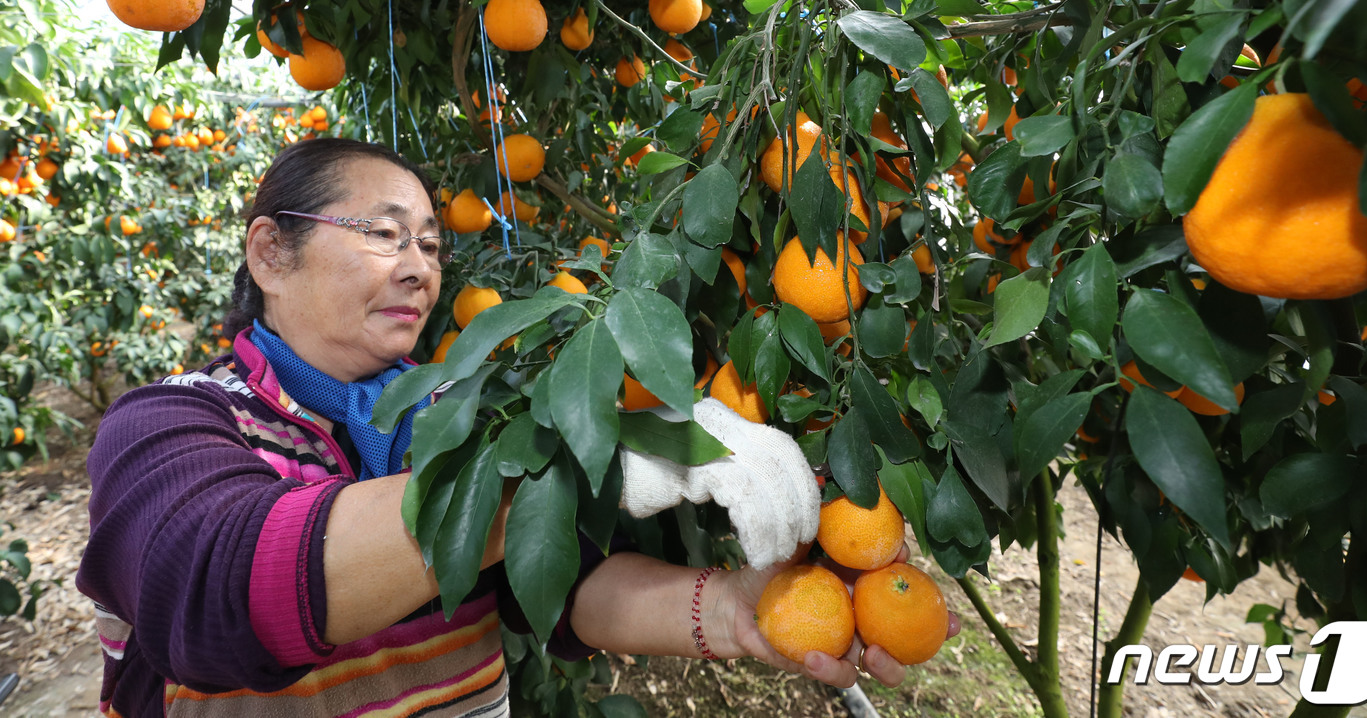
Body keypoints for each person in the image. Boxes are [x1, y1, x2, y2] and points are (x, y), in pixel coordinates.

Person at [77, 137, 956, 716]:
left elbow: (555, 588)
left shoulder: (451, 420)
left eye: (431, 243)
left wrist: (731, 610)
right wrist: (587, 454)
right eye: (386, 233)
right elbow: (223, 589)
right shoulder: (170, 426)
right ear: (270, 251)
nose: (419, 266)